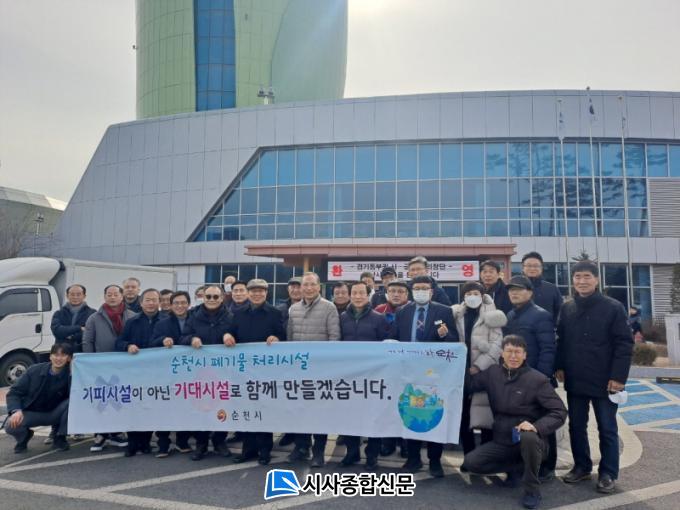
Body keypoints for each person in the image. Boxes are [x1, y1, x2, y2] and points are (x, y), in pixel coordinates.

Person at [461, 335, 567, 510]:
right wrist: (456, 363)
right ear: (502, 353)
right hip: (501, 441)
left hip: (531, 442)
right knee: (471, 463)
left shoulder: (538, 380)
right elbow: (469, 385)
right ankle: (518, 467)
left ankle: (532, 490)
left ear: (525, 355)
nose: (513, 356)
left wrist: (536, 427)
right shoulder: (492, 373)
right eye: (509, 351)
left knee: (528, 437)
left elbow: (560, 411)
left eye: (518, 352)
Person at [555, 260, 633, 494]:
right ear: (573, 280)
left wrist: (618, 377)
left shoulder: (613, 307)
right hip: (576, 377)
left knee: (607, 428)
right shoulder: (567, 308)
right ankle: (582, 466)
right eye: (577, 277)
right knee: (577, 426)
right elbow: (561, 340)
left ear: (597, 279)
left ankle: (608, 473)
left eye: (587, 276)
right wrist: (559, 365)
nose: (582, 281)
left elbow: (624, 343)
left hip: (606, 379)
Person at [393, 275, 458, 477]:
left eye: (425, 288)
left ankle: (435, 461)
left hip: (434, 373)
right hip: (409, 372)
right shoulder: (403, 311)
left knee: (433, 412)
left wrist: (445, 335)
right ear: (412, 291)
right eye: (417, 288)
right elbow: (395, 338)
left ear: (431, 291)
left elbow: (454, 341)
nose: (421, 291)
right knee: (411, 412)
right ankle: (413, 458)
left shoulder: (444, 311)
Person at [223, 279, 285, 465]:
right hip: (243, 371)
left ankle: (265, 451)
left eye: (261, 291)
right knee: (247, 411)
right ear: (248, 293)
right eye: (253, 291)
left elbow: (283, 335)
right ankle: (248, 450)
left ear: (266, 293)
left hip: (266, 372)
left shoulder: (275, 313)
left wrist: (276, 337)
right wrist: (227, 335)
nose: (257, 294)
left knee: (264, 411)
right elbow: (230, 331)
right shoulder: (238, 313)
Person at [504, 275, 558, 481]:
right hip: (515, 378)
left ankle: (547, 466)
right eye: (511, 290)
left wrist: (541, 378)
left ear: (530, 292)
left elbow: (548, 349)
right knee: (521, 422)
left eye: (519, 289)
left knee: (543, 423)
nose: (514, 293)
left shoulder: (541, 315)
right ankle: (521, 465)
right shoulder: (510, 315)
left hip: (535, 379)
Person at [286, 272, 341, 467]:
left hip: (320, 371)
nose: (308, 288)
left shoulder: (329, 307)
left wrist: (328, 367)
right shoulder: (293, 309)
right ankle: (301, 447)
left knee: (319, 413)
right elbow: (290, 339)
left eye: (312, 285)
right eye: (305, 285)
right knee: (299, 410)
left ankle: (318, 451)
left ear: (319, 287)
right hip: (298, 371)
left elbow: (334, 338)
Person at [339, 282, 389, 470]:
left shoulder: (379, 318)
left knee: (373, 417)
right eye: (354, 293)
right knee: (349, 416)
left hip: (372, 376)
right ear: (350, 295)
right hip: (349, 376)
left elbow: (386, 346)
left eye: (362, 293)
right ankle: (352, 452)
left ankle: (372, 455)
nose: (358, 296)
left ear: (368, 296)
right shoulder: (342, 317)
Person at [452, 281, 506, 454]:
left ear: (482, 296)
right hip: (461, 371)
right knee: (463, 415)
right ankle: (468, 455)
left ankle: (484, 455)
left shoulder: (493, 315)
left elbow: (497, 344)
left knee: (485, 414)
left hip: (485, 371)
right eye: (468, 294)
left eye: (475, 293)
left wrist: (478, 365)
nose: (472, 297)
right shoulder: (457, 314)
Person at [181, 284, 234, 460]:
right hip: (200, 371)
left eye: (215, 297)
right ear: (203, 298)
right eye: (208, 296)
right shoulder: (193, 316)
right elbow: (183, 336)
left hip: (223, 370)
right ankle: (201, 444)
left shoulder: (231, 316)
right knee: (201, 407)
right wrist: (192, 338)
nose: (211, 300)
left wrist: (230, 335)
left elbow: (239, 336)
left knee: (223, 405)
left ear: (222, 298)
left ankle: (219, 441)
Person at [82, 284, 134, 452]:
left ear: (122, 296)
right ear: (104, 297)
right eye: (109, 294)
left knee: (120, 400)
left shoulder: (132, 316)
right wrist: (90, 363)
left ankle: (117, 432)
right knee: (102, 400)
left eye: (115, 294)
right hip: (102, 366)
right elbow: (87, 341)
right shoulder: (94, 318)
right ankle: (101, 434)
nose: (112, 297)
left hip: (126, 366)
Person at [116, 288, 162, 457]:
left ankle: (146, 442)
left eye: (154, 300)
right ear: (141, 303)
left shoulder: (165, 321)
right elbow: (119, 342)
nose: (151, 303)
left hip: (157, 372)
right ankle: (133, 443)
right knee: (134, 407)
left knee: (151, 407)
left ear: (159, 302)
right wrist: (128, 346)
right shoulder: (132, 322)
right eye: (147, 300)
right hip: (135, 373)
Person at [5, 343, 74, 453]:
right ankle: (24, 437)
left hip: (55, 413)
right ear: (50, 356)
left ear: (69, 358)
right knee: (10, 425)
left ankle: (59, 437)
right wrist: (16, 411)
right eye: (56, 355)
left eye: (63, 355)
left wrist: (73, 373)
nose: (59, 358)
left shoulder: (72, 374)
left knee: (72, 402)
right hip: (33, 413)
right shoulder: (34, 370)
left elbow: (77, 394)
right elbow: (14, 392)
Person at [151, 290, 193, 457]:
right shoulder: (162, 323)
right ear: (171, 305)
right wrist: (162, 341)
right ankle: (163, 443)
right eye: (176, 303)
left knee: (186, 407)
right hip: (167, 372)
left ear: (189, 304)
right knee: (165, 406)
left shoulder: (195, 321)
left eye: (183, 303)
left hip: (189, 371)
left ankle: (183, 441)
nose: (180, 306)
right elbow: (152, 342)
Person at [375, 278, 411, 458]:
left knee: (407, 404)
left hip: (408, 367)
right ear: (387, 293)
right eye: (393, 291)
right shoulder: (378, 311)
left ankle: (406, 444)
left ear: (407, 294)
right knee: (386, 405)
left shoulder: (413, 311)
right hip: (385, 367)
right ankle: (387, 442)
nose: (396, 294)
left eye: (400, 291)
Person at [275, 277, 302, 447]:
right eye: (292, 287)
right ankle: (289, 431)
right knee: (286, 397)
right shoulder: (279, 309)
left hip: (303, 360)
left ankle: (300, 436)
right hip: (283, 360)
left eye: (298, 287)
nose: (295, 290)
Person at [50, 284, 96, 352]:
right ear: (67, 296)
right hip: (62, 352)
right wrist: (79, 328)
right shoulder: (59, 313)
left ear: (84, 296)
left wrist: (71, 336)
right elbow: (57, 331)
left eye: (78, 294)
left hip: (83, 351)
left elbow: (91, 332)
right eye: (72, 294)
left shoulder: (92, 313)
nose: (75, 297)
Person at [521, 252, 562, 323]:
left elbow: (559, 312)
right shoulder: (514, 288)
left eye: (536, 266)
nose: (532, 268)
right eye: (529, 265)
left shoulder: (552, 289)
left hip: (546, 328)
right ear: (523, 268)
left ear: (541, 268)